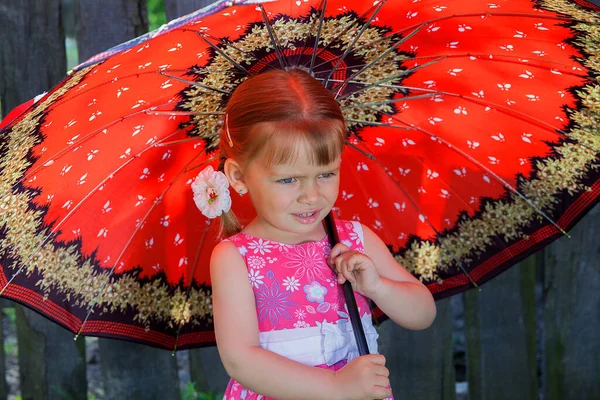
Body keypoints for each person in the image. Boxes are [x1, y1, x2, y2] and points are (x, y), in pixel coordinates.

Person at [199, 68, 436, 400]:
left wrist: (377, 287)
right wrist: (336, 387)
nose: (311, 195)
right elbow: (241, 360)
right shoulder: (236, 258)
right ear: (238, 176)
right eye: (288, 180)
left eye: (326, 174)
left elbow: (423, 313)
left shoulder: (355, 239)